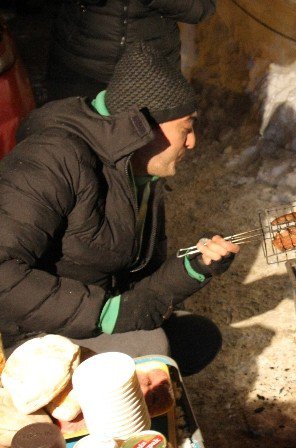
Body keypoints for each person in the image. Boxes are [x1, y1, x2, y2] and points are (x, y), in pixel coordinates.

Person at [0, 41, 238, 376]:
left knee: (197, 339)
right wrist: (104, 313)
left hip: (85, 314)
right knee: (153, 349)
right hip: (33, 336)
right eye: (186, 127)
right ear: (147, 125)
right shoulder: (53, 159)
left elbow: (130, 285)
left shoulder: (136, 170)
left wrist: (193, 268)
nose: (192, 141)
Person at [46, 0, 216, 101]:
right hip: (80, 67)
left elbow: (201, 8)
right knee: (75, 154)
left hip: (152, 76)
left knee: (145, 157)